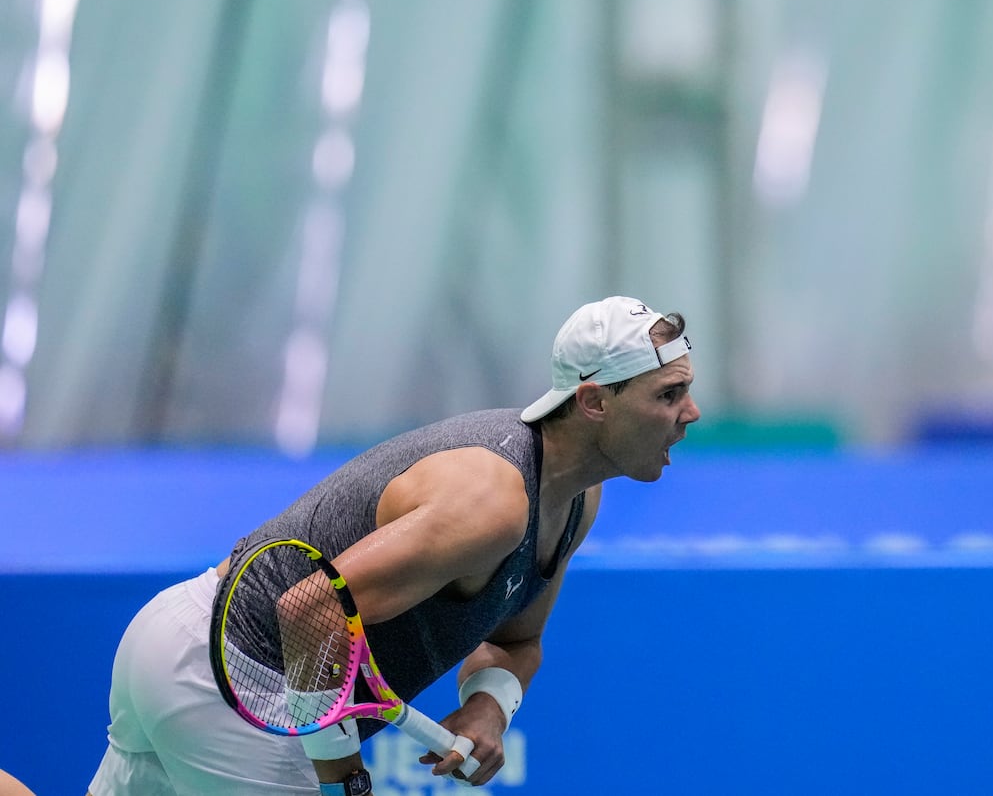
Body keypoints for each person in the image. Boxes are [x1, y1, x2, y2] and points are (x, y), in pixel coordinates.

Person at [89, 295, 699, 795]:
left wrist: (489, 706)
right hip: (236, 672)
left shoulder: (577, 500)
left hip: (185, 638)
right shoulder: (491, 502)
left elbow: (518, 640)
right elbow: (311, 609)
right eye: (667, 395)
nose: (690, 412)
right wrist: (343, 777)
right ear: (593, 401)